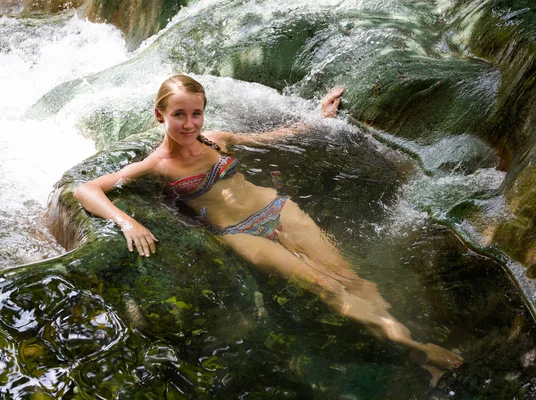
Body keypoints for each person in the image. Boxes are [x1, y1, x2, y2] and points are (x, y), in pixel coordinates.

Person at [74, 74, 463, 373]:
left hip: (277, 208)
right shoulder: (156, 166)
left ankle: (408, 340)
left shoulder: (216, 139)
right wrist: (127, 223)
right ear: (160, 115)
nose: (189, 123)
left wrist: (318, 117)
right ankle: (417, 351)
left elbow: (275, 137)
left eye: (196, 113)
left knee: (350, 276)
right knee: (325, 285)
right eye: (179, 115)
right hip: (237, 234)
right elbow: (86, 190)